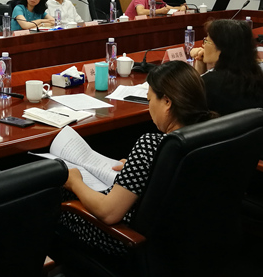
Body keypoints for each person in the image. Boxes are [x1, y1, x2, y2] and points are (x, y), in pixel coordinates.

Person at [59, 61, 216, 255]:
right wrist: (135, 165)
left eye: (149, 100)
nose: (149, 108)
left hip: (126, 239)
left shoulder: (152, 144)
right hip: (188, 242)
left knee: (57, 199)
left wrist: (75, 183)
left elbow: (108, 213)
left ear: (167, 102)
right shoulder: (211, 134)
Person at [189, 19, 263, 116]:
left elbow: (192, 101)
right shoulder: (254, 76)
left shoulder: (211, 82)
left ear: (222, 48)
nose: (203, 45)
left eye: (207, 41)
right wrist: (200, 60)